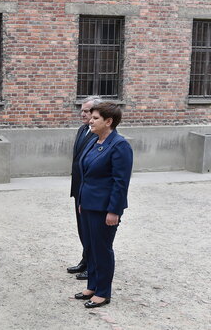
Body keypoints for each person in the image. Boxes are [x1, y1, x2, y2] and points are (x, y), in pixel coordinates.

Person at [74, 102, 133, 308]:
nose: (90, 120)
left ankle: (103, 292)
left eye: (95, 118)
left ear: (109, 122)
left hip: (104, 208)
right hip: (88, 205)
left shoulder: (119, 145)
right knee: (90, 247)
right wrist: (81, 201)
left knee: (102, 249)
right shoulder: (94, 141)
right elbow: (85, 175)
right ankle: (92, 286)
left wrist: (114, 211)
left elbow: (120, 182)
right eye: (91, 117)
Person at [67, 96, 101, 280]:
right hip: (78, 188)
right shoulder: (83, 130)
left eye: (86, 111)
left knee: (92, 229)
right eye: (81, 110)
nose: (82, 114)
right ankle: (85, 260)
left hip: (90, 190)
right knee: (82, 227)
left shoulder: (99, 134)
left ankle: (94, 265)